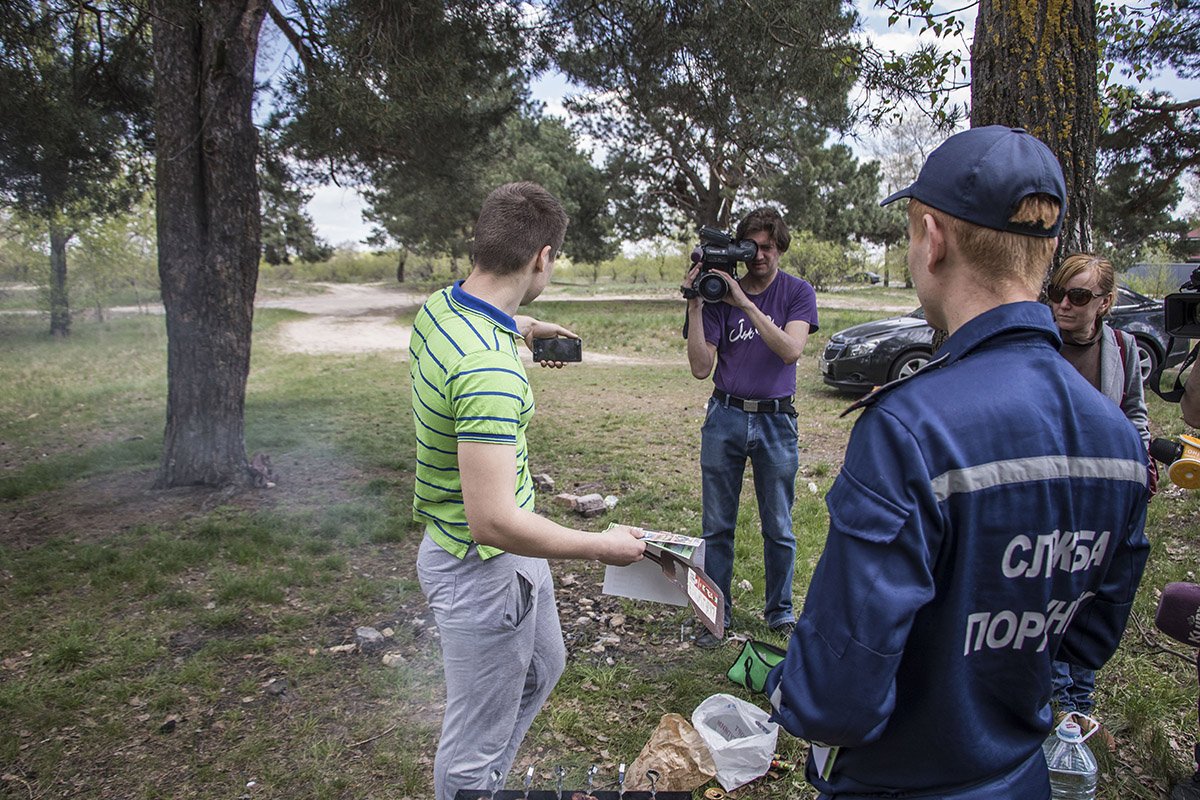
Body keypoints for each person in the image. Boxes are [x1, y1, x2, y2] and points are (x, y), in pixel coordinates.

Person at [765, 126, 1151, 799]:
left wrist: (786, 686)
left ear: (932, 237)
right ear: (1047, 251)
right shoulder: (1117, 437)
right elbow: (1086, 641)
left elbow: (834, 698)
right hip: (1021, 774)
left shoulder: (911, 426)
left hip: (896, 782)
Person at [410, 182, 646, 800]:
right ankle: (473, 788)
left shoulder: (442, 307)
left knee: (544, 668)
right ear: (543, 257)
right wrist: (602, 546)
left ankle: (482, 784)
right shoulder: (488, 369)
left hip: (504, 561)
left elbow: (493, 318)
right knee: (473, 746)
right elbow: (492, 521)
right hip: (480, 567)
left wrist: (530, 327)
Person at [682, 207, 818, 648]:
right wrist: (697, 304)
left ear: (780, 247)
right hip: (725, 416)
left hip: (777, 420)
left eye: (767, 246)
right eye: (750, 246)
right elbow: (702, 368)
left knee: (778, 524)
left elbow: (790, 350)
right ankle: (714, 614)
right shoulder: (717, 294)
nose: (758, 255)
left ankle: (779, 612)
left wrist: (745, 303)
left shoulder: (797, 292)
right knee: (716, 526)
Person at [1046, 252, 1152, 738]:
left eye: (1079, 296)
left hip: (1102, 498)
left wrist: (1138, 462)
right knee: (1049, 596)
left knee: (1089, 598)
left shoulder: (1124, 350)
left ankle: (1079, 704)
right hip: (1049, 494)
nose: (1064, 305)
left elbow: (1135, 414)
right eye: (1059, 293)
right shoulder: (1039, 344)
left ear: (1104, 303)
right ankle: (1056, 698)